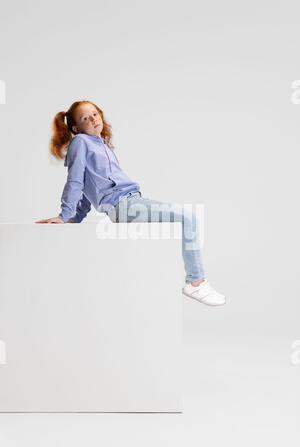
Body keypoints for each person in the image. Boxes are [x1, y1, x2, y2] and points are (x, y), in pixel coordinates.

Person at [36, 100, 226, 306]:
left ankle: (194, 282)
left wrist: (77, 217)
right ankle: (196, 283)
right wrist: (65, 215)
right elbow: (75, 180)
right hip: (122, 206)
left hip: (132, 200)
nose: (92, 119)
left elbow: (87, 186)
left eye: (95, 114)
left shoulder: (102, 145)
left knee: (185, 218)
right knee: (188, 218)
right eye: (85, 118)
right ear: (76, 128)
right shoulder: (80, 142)